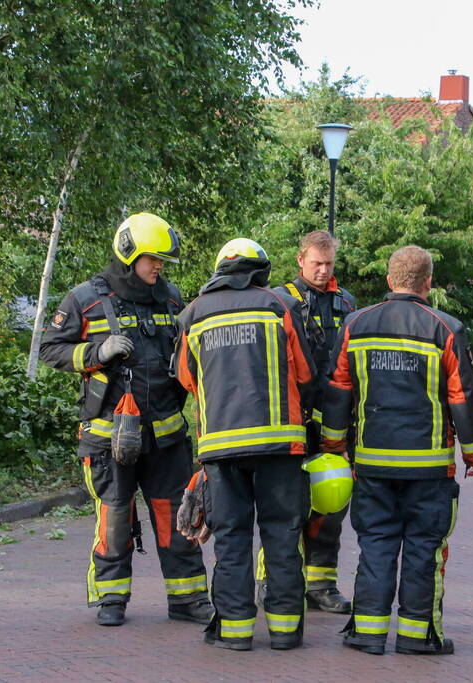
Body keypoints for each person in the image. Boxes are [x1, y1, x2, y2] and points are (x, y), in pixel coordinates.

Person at [39, 212, 211, 628]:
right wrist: (95, 353)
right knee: (116, 517)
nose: (159, 268)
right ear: (130, 253)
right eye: (153, 259)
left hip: (166, 436)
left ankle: (187, 598)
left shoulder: (171, 300)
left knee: (176, 515)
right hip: (107, 437)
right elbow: (49, 349)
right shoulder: (85, 299)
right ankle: (111, 599)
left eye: (162, 262)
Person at [320, 245, 473, 656]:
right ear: (428, 283)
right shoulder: (445, 328)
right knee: (423, 550)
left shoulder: (356, 325)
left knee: (375, 544)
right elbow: (462, 397)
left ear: (390, 280)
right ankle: (417, 636)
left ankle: (368, 633)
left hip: (372, 463)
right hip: (429, 469)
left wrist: (333, 446)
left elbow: (338, 392)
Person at [174, 238, 316, 651]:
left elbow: (184, 377)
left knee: (232, 537)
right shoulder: (279, 306)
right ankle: (286, 632)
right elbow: (306, 374)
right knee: (282, 537)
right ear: (261, 270)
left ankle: (234, 633)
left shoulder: (193, 314)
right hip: (280, 447)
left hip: (221, 448)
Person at [256, 230, 356, 613]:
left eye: (329, 264)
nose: (322, 270)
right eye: (316, 263)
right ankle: (273, 581)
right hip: (294, 420)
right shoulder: (280, 301)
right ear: (300, 260)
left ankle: (321, 585)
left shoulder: (345, 302)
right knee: (286, 506)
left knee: (331, 503)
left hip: (334, 419)